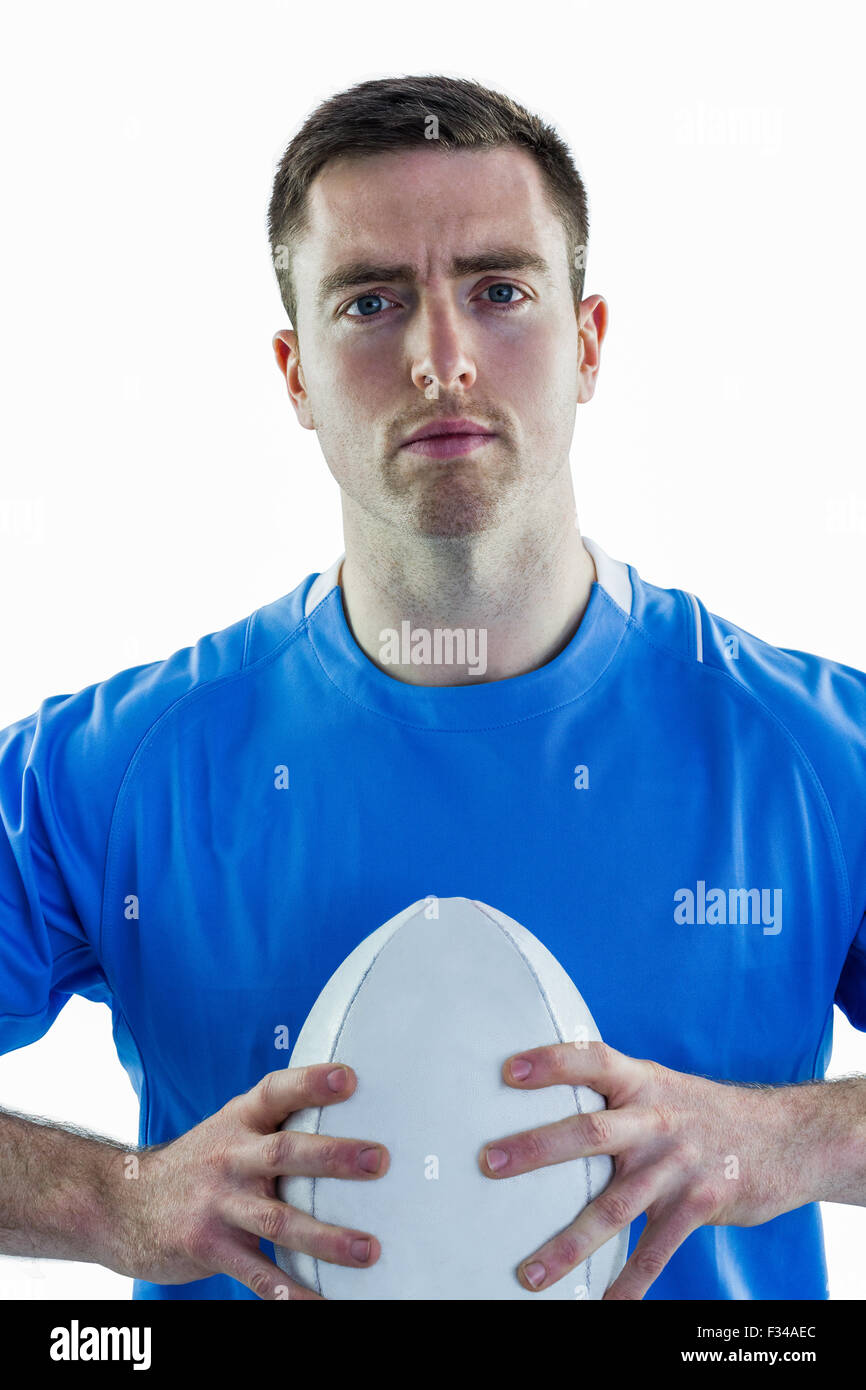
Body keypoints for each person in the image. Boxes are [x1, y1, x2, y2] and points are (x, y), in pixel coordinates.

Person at [1, 73, 865, 1302]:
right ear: (294, 374)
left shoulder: (814, 754)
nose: (440, 360)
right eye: (372, 301)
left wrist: (792, 1137)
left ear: (588, 340)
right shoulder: (108, 772)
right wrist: (112, 1201)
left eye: (499, 290)